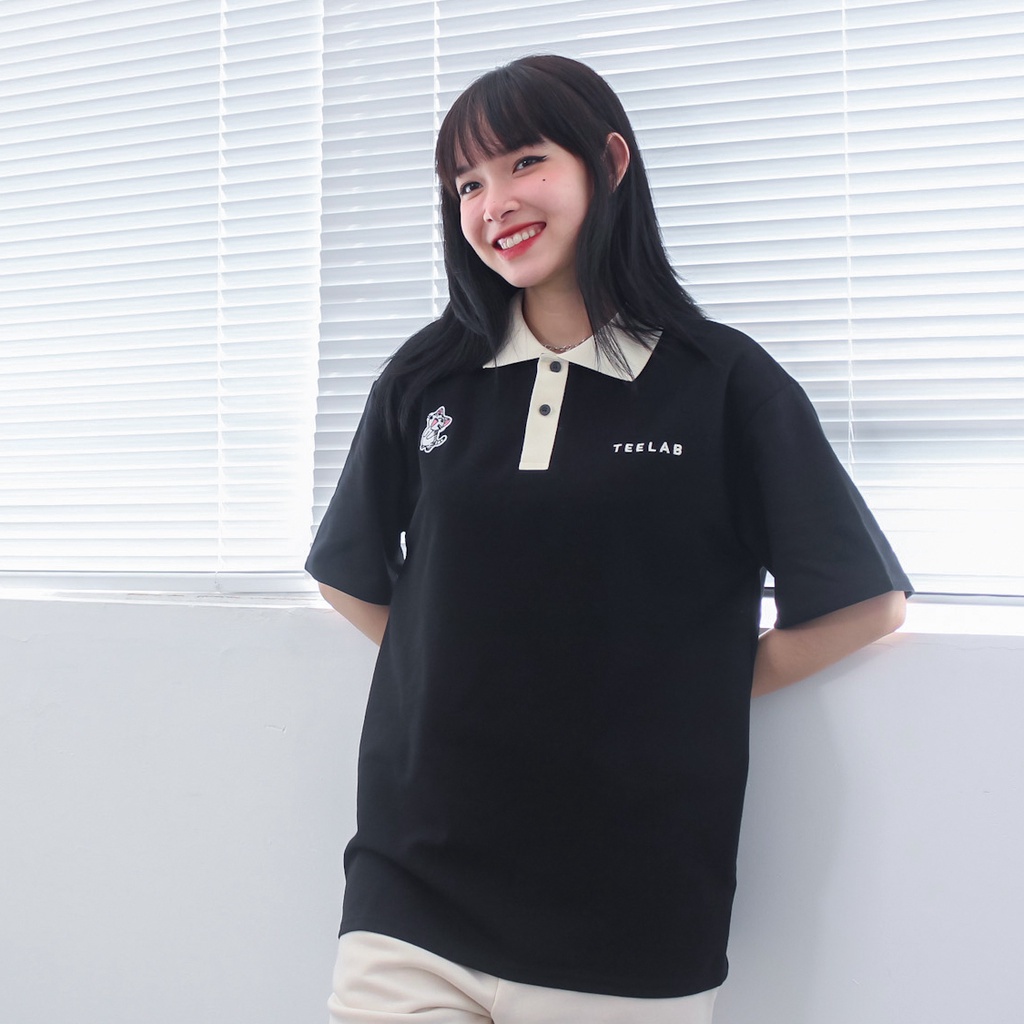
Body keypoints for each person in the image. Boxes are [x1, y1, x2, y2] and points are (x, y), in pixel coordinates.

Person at [307, 54, 912, 1024]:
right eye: (467, 184)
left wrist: (680, 683)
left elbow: (863, 605)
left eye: (524, 162)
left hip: (627, 912)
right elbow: (349, 573)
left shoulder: (724, 383)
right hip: (409, 892)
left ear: (610, 162)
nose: (493, 203)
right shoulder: (426, 378)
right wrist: (466, 666)